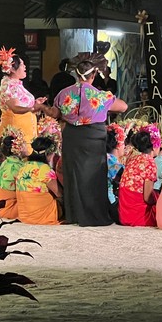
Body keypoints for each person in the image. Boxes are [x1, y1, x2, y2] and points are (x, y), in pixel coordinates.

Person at [54, 58, 128, 226]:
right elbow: (123, 106)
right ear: (93, 75)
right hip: (93, 138)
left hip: (72, 136)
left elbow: (56, 112)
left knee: (73, 174)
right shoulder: (99, 95)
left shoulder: (64, 93)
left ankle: (74, 215)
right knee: (92, 175)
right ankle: (92, 215)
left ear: (76, 74)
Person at [0, 47, 55, 150]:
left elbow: (21, 103)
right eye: (22, 64)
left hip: (25, 131)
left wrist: (34, 103)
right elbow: (15, 108)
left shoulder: (16, 84)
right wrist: (32, 108)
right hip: (16, 133)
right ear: (12, 69)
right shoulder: (8, 85)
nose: (25, 66)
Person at [118, 126, 160, 227]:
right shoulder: (149, 162)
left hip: (124, 213)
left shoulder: (133, 159)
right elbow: (147, 197)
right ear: (154, 146)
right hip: (137, 215)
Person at [15, 135, 62, 225]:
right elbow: (59, 193)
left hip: (25, 216)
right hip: (42, 215)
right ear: (48, 154)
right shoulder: (44, 169)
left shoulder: (23, 166)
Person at [0, 127, 28, 220]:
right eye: (24, 144)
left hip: (0, 208)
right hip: (10, 209)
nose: (27, 146)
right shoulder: (18, 166)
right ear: (18, 148)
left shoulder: (6, 162)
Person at [106, 123, 126, 224]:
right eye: (123, 143)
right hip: (109, 202)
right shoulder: (111, 161)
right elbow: (123, 179)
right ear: (118, 145)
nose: (125, 147)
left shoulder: (104, 157)